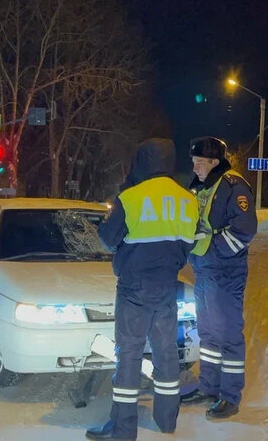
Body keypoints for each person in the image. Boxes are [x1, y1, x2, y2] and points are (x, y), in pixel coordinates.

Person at [86, 138, 199, 441]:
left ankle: (123, 430)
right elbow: (191, 242)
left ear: (142, 161)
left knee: (129, 355)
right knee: (165, 353)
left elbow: (108, 241)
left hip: (134, 288)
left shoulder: (132, 198)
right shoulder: (187, 199)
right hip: (167, 286)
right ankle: (166, 421)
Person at [180, 136, 257, 420]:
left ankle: (230, 396)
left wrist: (213, 246)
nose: (196, 168)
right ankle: (209, 387)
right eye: (194, 162)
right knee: (209, 333)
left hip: (225, 272)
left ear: (215, 162)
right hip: (204, 269)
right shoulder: (203, 185)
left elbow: (245, 229)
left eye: (200, 163)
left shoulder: (232, 186)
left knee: (227, 335)